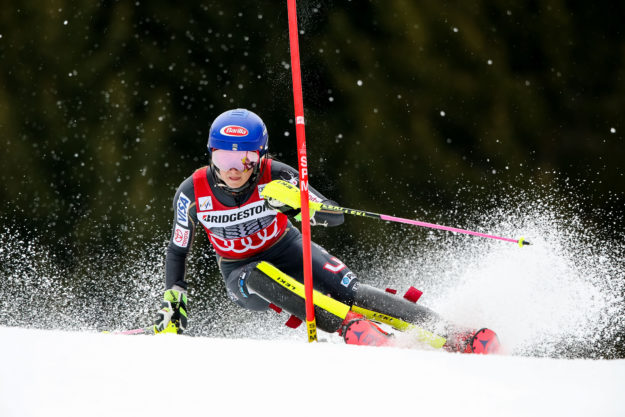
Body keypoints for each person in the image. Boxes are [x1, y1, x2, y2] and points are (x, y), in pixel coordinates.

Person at [153, 108, 500, 354]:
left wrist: (299, 205)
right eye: (224, 161)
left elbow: (334, 217)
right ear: (210, 156)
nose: (234, 171)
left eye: (244, 160)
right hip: (240, 273)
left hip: (287, 247)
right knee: (256, 273)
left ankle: (453, 334)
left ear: (261, 156)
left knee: (350, 290)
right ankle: (351, 328)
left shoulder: (277, 175)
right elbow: (177, 250)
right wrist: (174, 298)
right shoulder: (191, 193)